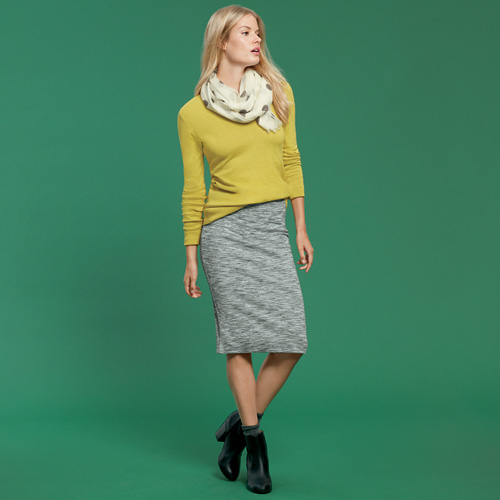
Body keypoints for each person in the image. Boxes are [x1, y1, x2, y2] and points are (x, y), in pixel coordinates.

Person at [176, 5, 314, 495]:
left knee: (291, 340)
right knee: (238, 341)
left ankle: (236, 427)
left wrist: (300, 226)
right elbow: (194, 188)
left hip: (270, 228)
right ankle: (254, 445)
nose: (257, 39)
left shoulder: (278, 93)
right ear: (222, 42)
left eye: (258, 32)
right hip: (222, 234)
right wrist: (191, 253)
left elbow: (291, 159)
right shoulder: (192, 114)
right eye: (246, 32)